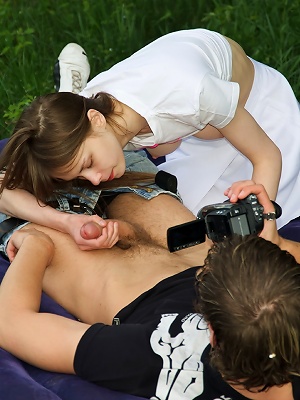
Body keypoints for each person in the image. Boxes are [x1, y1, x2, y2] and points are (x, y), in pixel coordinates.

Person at [3, 27, 300, 248]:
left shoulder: (190, 93)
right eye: (84, 171)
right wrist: (66, 221)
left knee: (227, 235)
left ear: (96, 119)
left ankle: (65, 89)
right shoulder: (89, 112)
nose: (94, 179)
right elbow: (4, 187)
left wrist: (266, 224)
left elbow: (267, 155)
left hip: (257, 114)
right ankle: (64, 91)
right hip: (195, 128)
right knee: (181, 234)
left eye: (88, 163)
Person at [0, 182, 300, 399]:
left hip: (127, 287)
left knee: (26, 191)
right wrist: (277, 243)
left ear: (211, 334)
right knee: (125, 179)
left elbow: (11, 324)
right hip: (224, 285)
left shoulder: (160, 356)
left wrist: (35, 245)